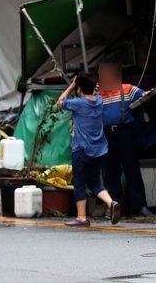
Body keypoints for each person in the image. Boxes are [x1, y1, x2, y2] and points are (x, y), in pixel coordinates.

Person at [57, 72, 121, 227]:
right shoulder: (99, 101)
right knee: (95, 182)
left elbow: (60, 102)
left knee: (79, 183)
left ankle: (81, 217)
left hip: (81, 150)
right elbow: (94, 92)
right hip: (99, 150)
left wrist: (72, 85)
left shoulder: (78, 103)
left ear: (79, 88)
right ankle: (111, 202)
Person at [97, 62, 150, 217]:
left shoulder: (127, 89)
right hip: (106, 135)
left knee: (132, 170)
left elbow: (144, 95)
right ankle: (118, 208)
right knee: (111, 173)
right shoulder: (97, 94)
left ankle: (140, 206)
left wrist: (149, 93)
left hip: (125, 133)